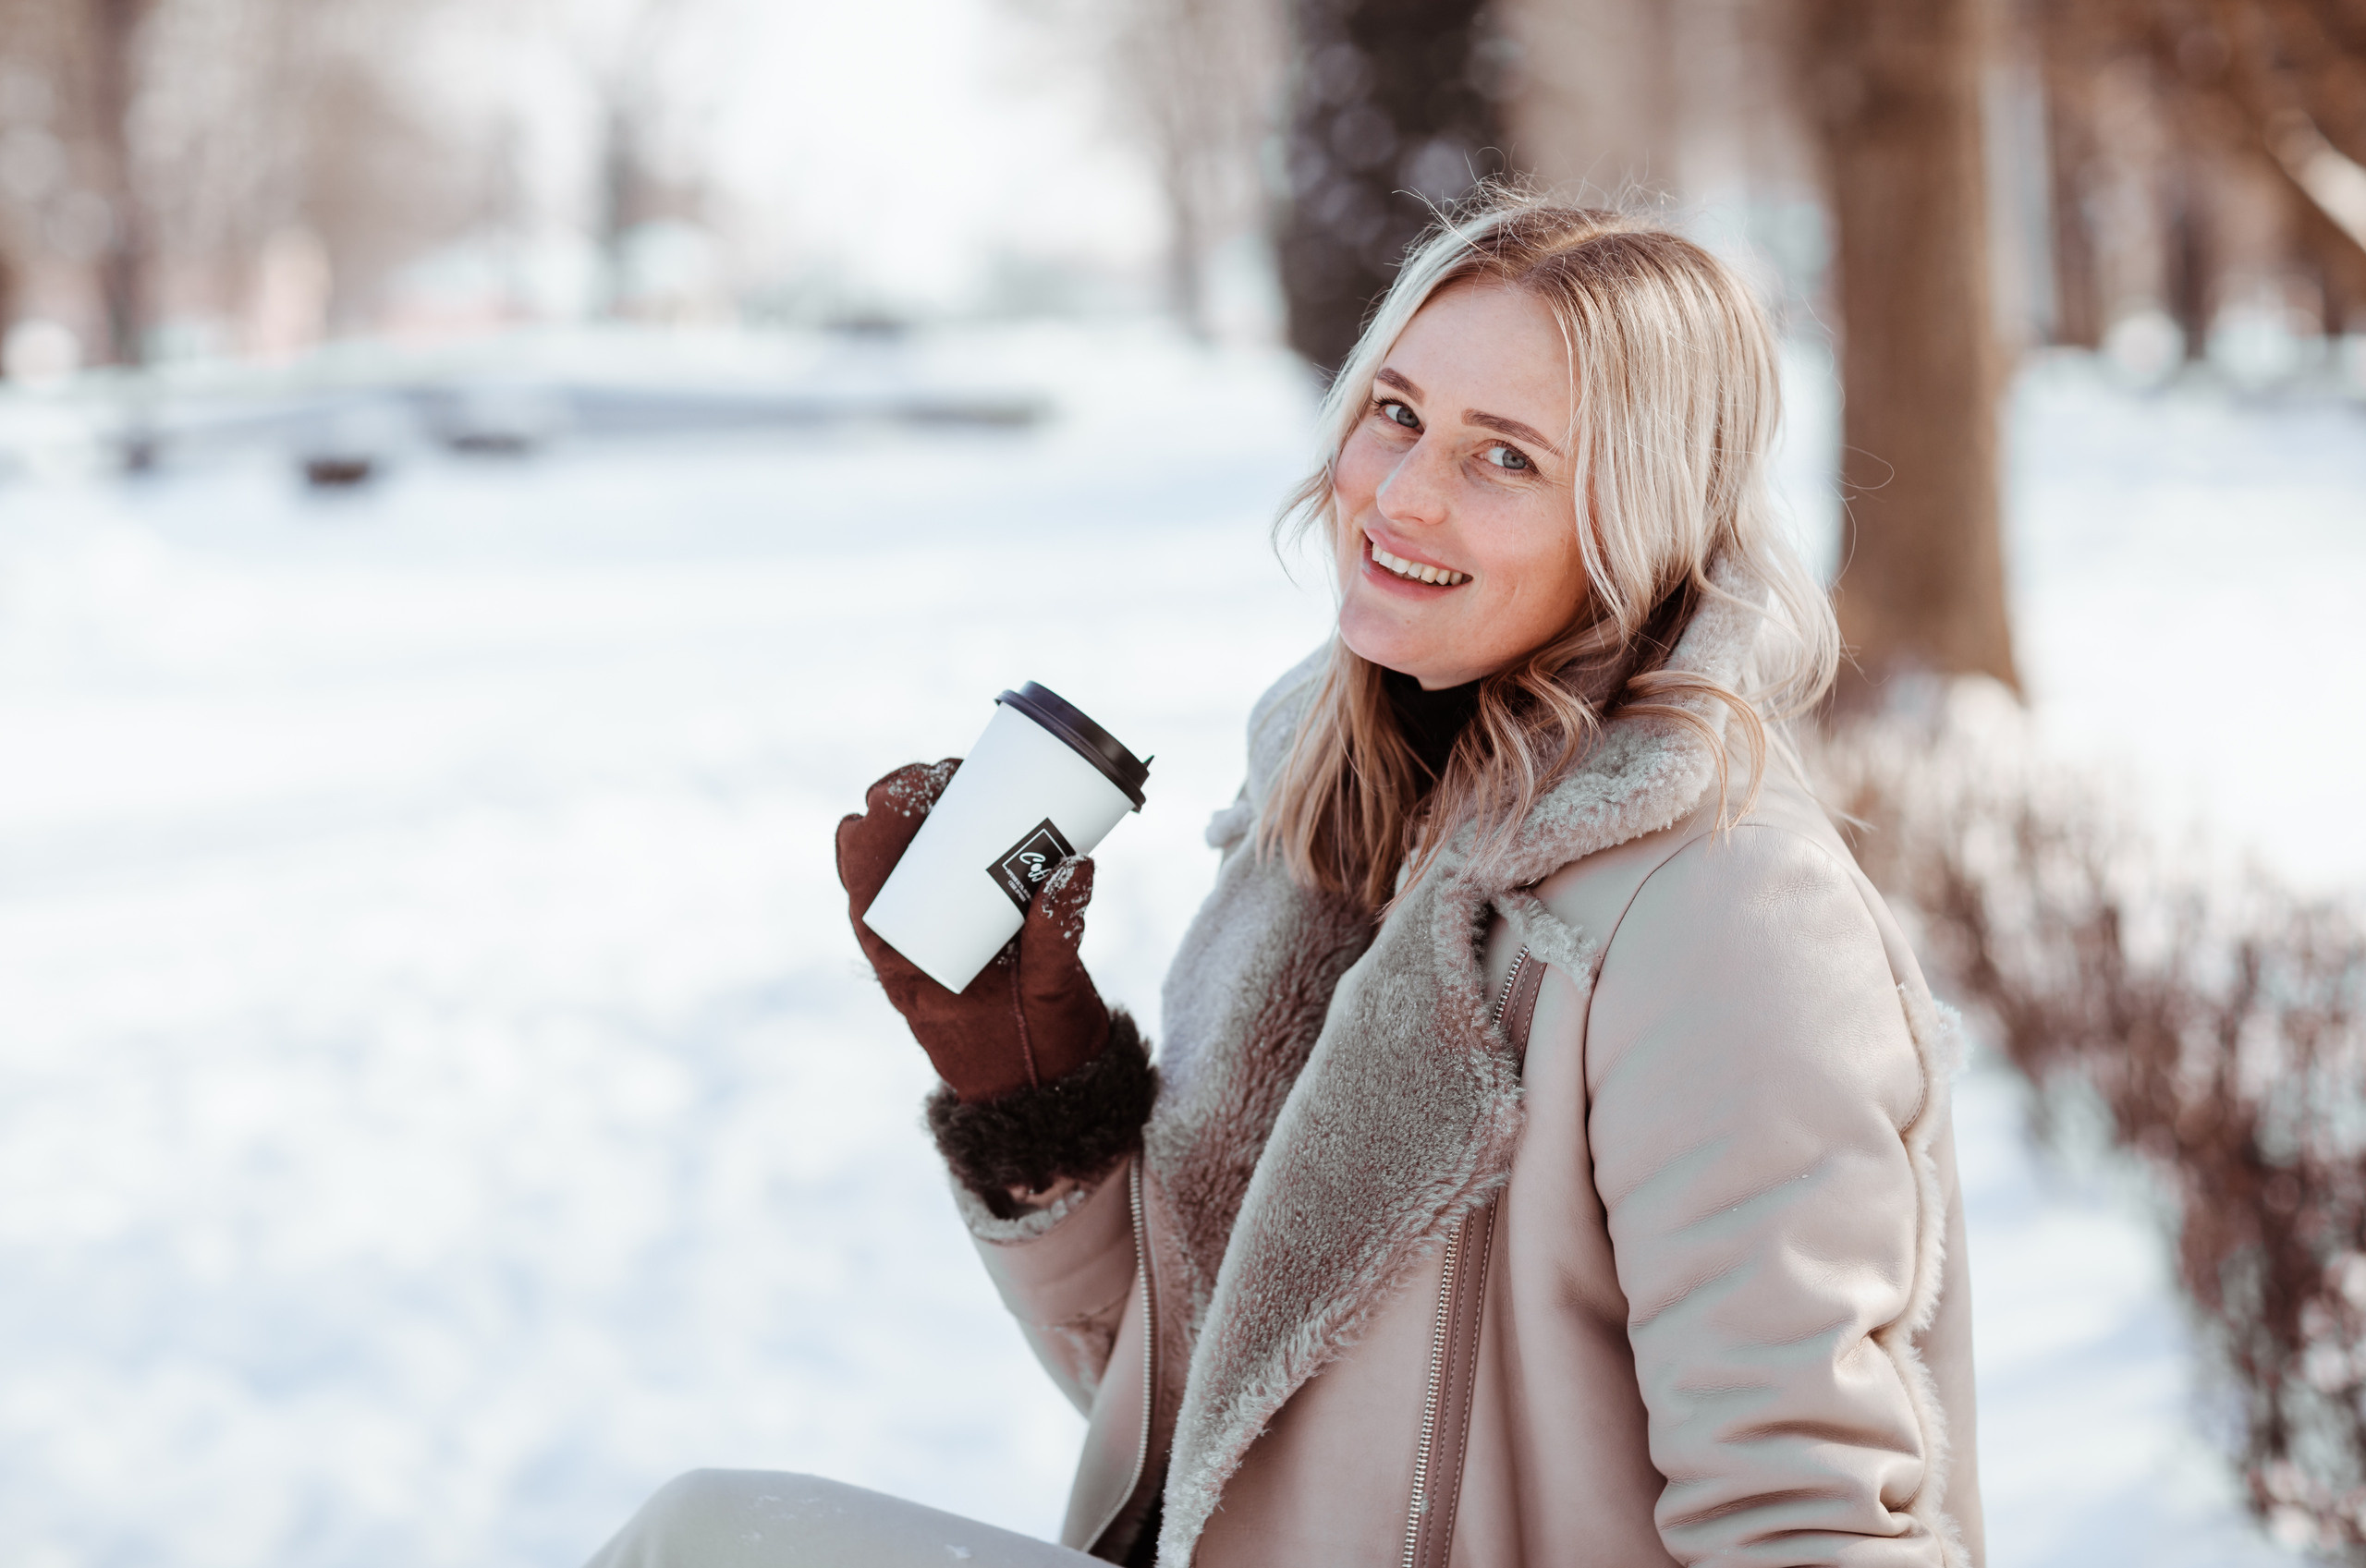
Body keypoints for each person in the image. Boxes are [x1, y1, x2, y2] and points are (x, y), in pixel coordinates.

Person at [584, 192, 1983, 1568]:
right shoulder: (1338, 835)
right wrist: (1029, 1079)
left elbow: (1812, 1523)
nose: (1402, 493)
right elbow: (1240, 1412)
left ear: (1639, 526)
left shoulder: (1719, 916)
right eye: (1397, 411)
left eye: (1505, 459)